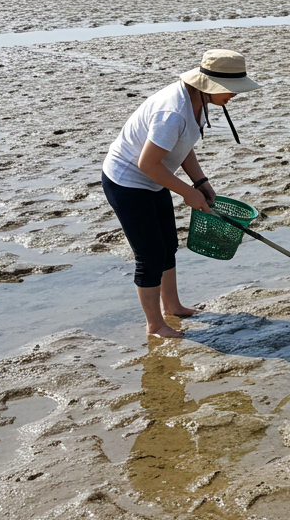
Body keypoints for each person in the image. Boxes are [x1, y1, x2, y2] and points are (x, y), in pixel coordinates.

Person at [101, 49, 261, 338]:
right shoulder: (172, 112)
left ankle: (172, 307)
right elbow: (147, 164)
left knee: (168, 246)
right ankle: (155, 325)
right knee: (150, 256)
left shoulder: (196, 100)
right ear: (208, 85)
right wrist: (188, 193)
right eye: (230, 89)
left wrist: (200, 182)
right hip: (127, 182)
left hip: (155, 178)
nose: (235, 95)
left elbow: (182, 145)